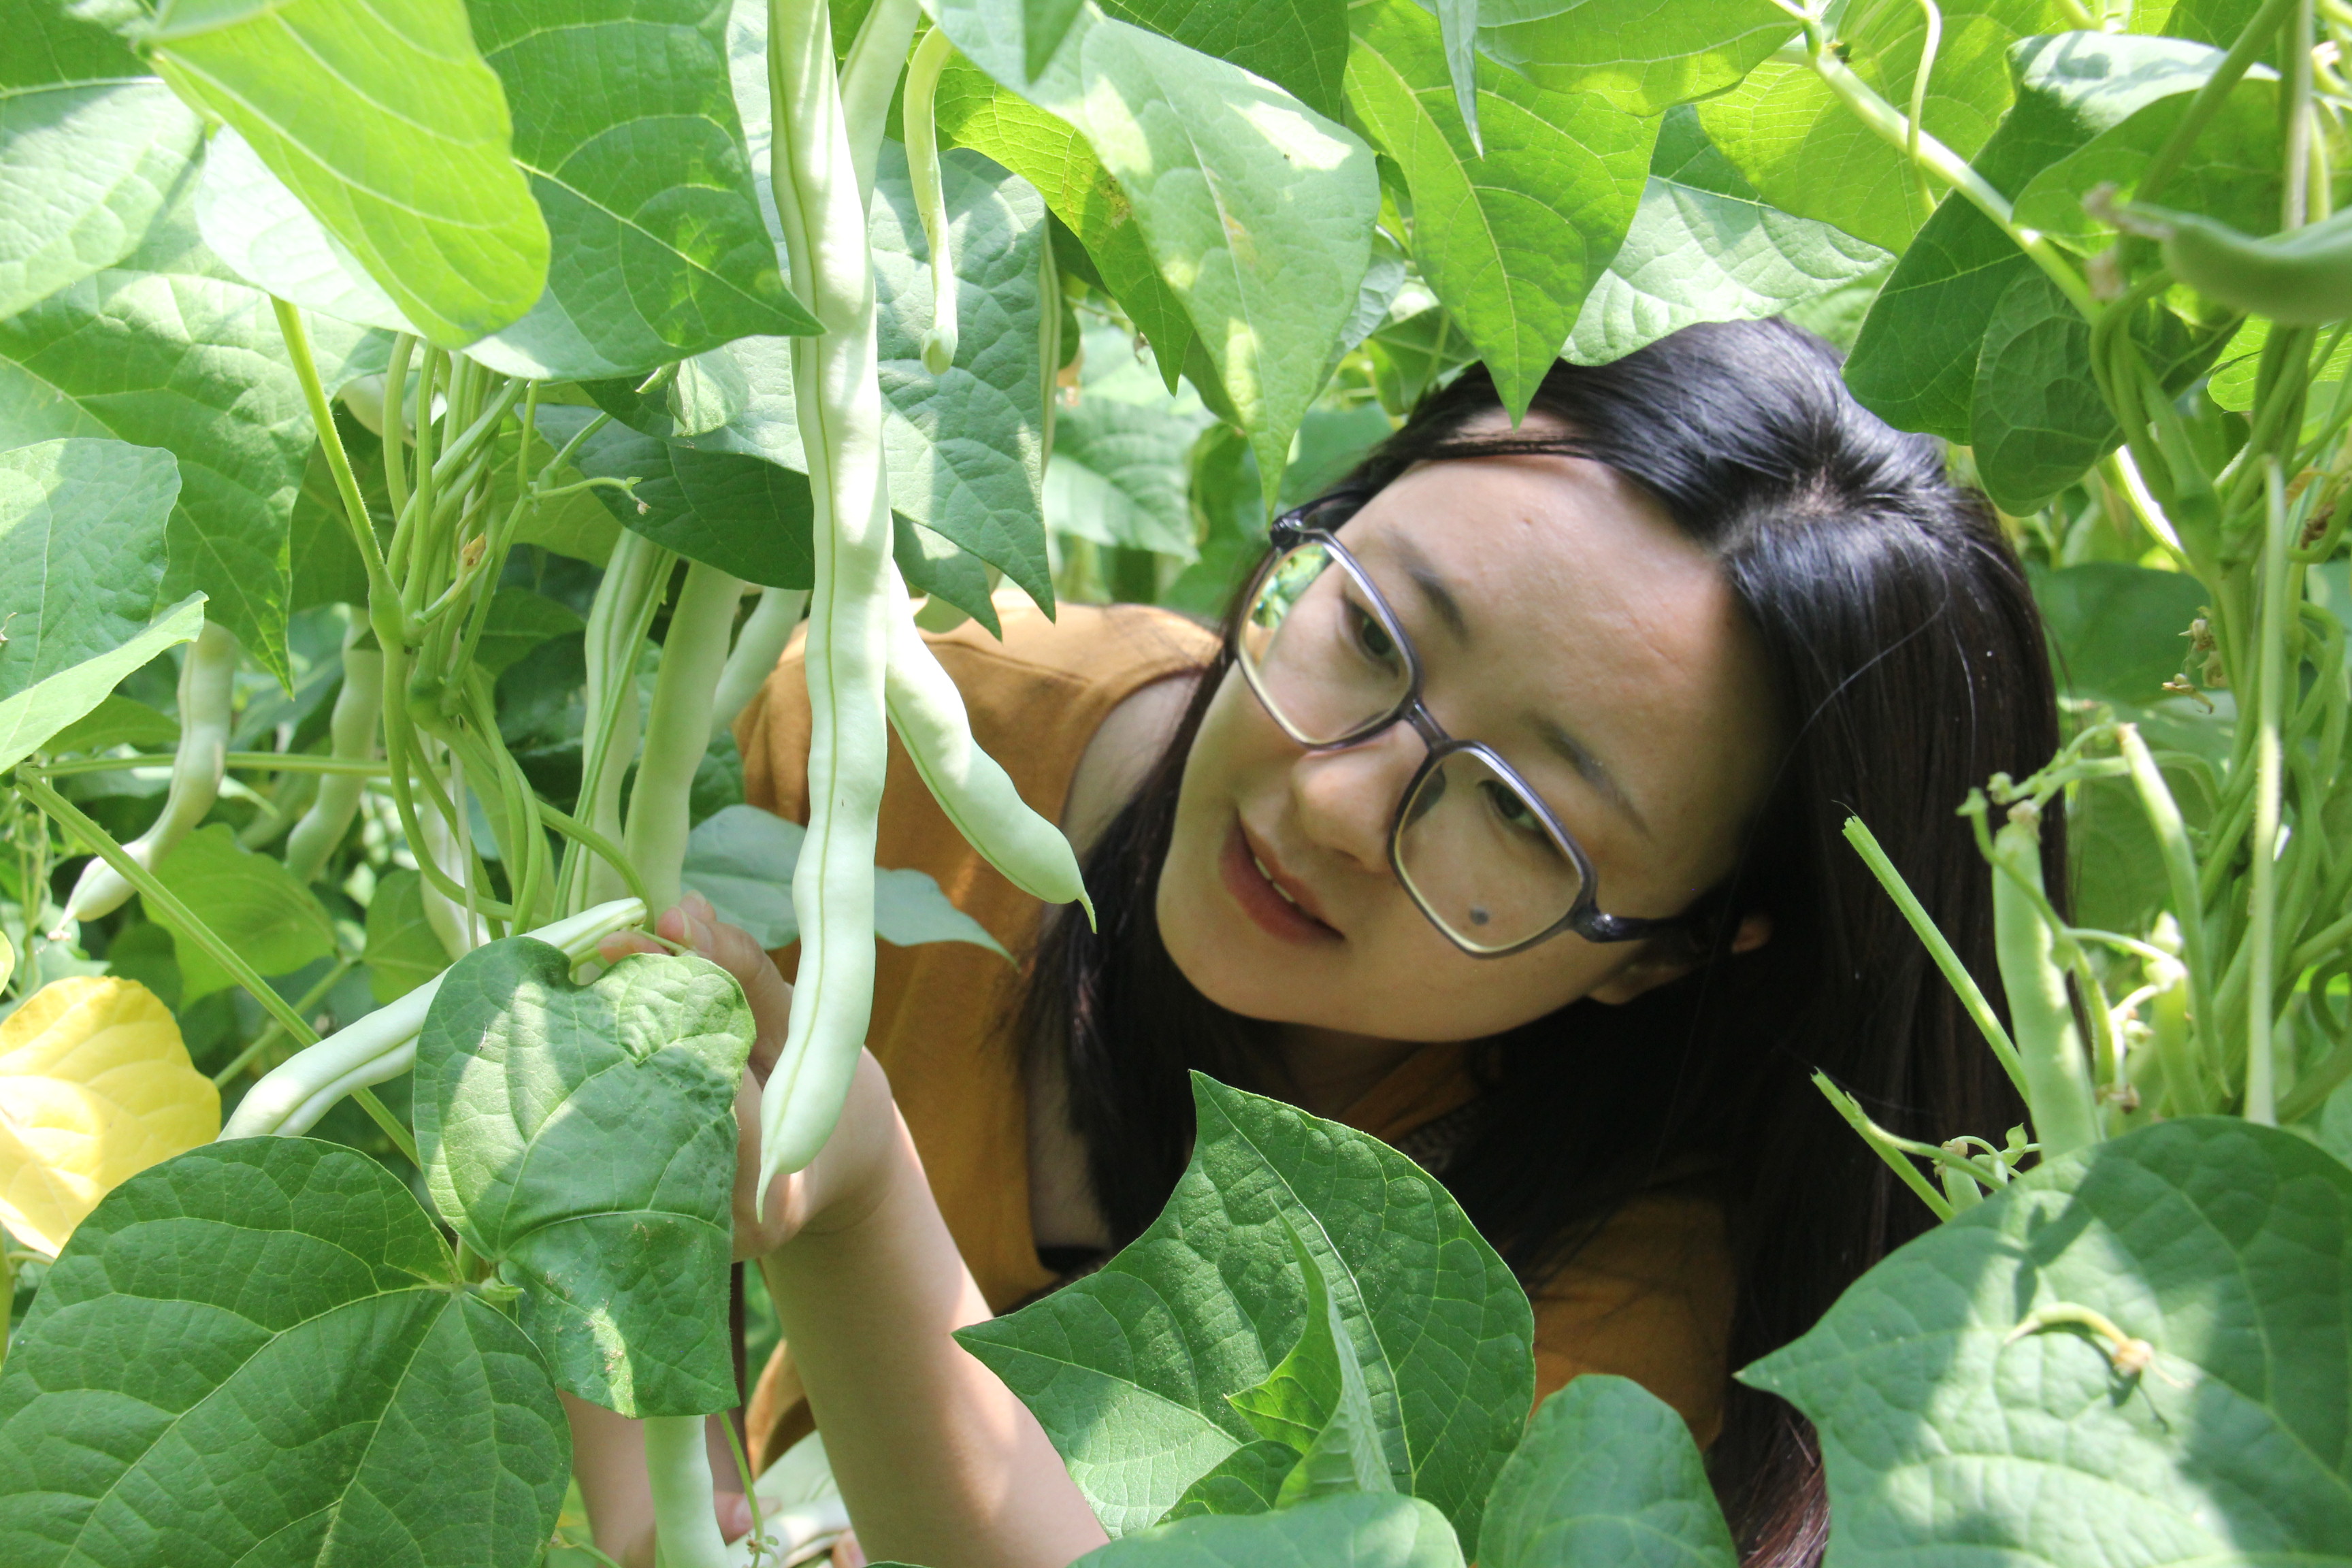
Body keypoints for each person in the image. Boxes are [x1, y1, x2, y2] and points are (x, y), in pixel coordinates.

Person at [573, 318, 2061, 1568]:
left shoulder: (1634, 1302)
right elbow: (613, 1031)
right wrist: (659, 1466)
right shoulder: (946, 726)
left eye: (1523, 816)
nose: (1340, 802)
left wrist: (857, 1213)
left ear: (1666, 951)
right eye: (1369, 628)